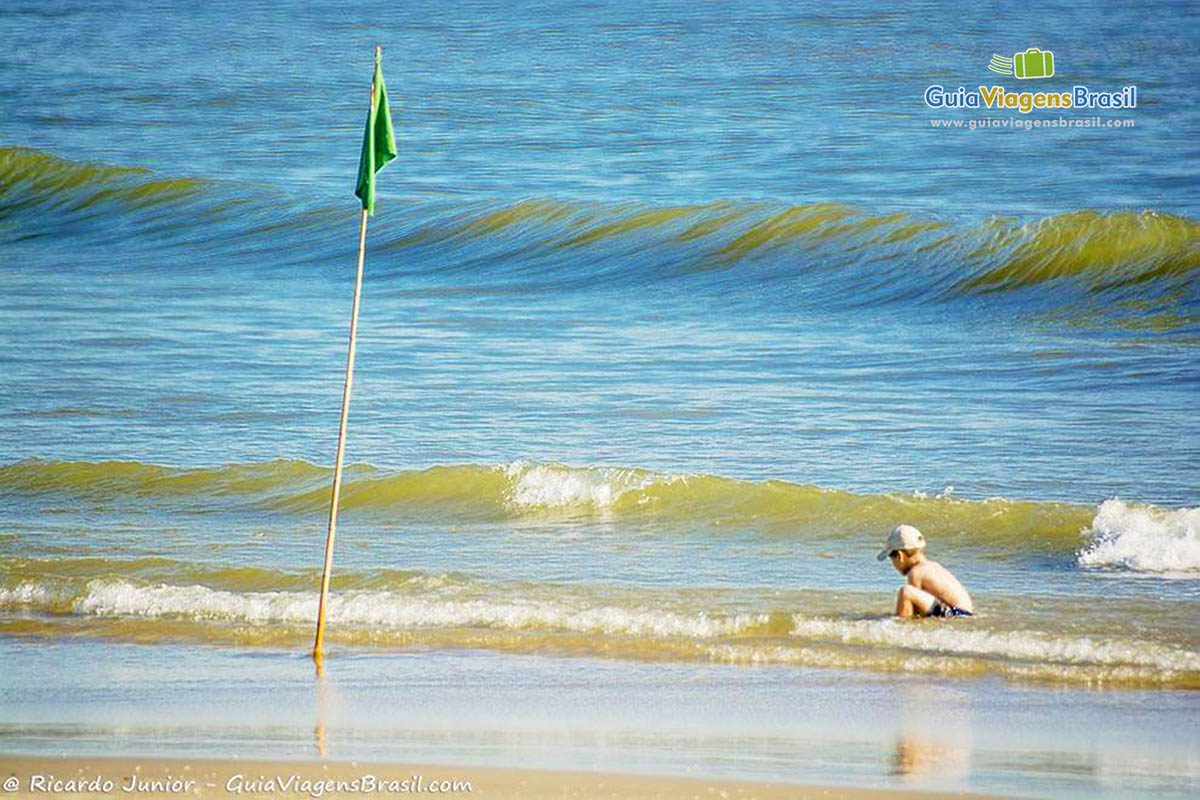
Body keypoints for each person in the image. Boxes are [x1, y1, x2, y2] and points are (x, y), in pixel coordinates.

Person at [876, 524, 973, 618]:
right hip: (963, 612)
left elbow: (914, 609)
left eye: (892, 559)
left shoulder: (915, 573)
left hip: (956, 613)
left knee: (906, 592)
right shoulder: (933, 566)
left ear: (899, 556)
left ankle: (899, 627)